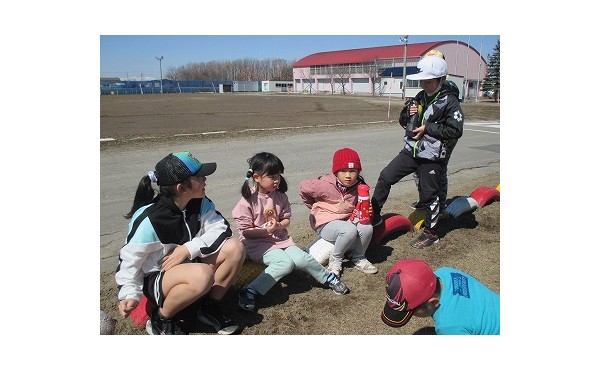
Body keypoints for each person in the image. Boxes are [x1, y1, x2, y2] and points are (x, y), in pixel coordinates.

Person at [115, 151, 245, 335]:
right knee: (203, 274)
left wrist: (187, 249)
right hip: (159, 277)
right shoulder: (149, 219)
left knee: (236, 247)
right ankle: (162, 318)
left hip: (191, 264)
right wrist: (129, 294)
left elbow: (222, 228)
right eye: (199, 176)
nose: (205, 179)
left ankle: (207, 307)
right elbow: (129, 260)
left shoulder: (199, 202)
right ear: (181, 188)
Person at [232, 152, 349, 312]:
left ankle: (328, 278)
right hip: (257, 243)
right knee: (284, 263)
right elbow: (246, 232)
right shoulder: (247, 201)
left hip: (280, 239)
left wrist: (278, 225)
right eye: (272, 177)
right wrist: (265, 231)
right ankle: (250, 290)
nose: (277, 180)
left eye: (278, 176)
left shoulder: (280, 196)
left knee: (302, 258)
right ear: (257, 177)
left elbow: (286, 220)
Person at [371, 52, 464, 249]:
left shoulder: (449, 101)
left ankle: (432, 232)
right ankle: (373, 215)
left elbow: (456, 130)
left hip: (432, 156)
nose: (423, 85)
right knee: (386, 176)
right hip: (411, 151)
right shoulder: (419, 97)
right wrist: (407, 113)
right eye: (422, 81)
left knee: (430, 195)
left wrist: (428, 128)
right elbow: (404, 123)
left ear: (441, 79)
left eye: (428, 82)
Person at [299, 147, 377, 277]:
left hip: (346, 220)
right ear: (336, 172)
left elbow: (362, 208)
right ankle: (335, 260)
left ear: (358, 171)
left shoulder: (360, 187)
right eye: (343, 171)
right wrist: (313, 206)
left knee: (367, 227)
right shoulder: (324, 184)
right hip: (325, 222)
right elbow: (303, 187)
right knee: (348, 230)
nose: (348, 176)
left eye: (352, 171)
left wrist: (369, 211)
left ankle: (358, 257)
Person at [381, 258, 500, 335]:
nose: (414, 317)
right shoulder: (446, 272)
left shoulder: (448, 325)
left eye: (412, 312)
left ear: (433, 302)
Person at [410, 78, 462, 213]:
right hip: (426, 138)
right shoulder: (424, 94)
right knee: (419, 171)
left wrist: (429, 128)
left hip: (444, 140)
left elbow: (454, 129)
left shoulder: (448, 90)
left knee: (438, 172)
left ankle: (441, 204)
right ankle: (425, 200)